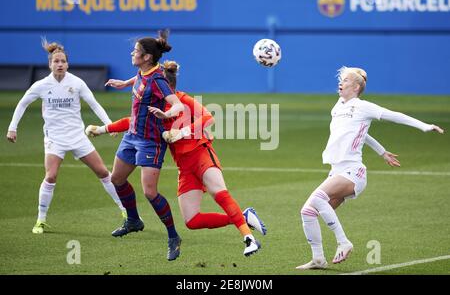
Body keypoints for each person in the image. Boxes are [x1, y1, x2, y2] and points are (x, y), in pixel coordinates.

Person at [86, 60, 267, 257]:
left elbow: (209, 118)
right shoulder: (154, 106)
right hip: (184, 166)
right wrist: (104, 129)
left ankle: (249, 239)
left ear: (167, 88)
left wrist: (182, 133)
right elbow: (132, 122)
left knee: (219, 193)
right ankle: (243, 217)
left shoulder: (182, 100)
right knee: (192, 221)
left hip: (200, 153)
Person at [295, 66, 444, 270]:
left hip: (353, 172)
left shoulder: (363, 106)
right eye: (341, 79)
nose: (341, 82)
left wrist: (424, 126)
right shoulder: (338, 107)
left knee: (317, 198)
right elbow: (361, 133)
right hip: (337, 171)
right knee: (308, 212)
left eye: (346, 80)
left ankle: (344, 242)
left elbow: (394, 115)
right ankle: (318, 259)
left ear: (356, 87)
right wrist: (382, 151)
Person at [6, 39, 126, 234]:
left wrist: (109, 126)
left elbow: (94, 104)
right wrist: (13, 127)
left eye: (63, 61)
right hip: (55, 138)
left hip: (77, 136)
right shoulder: (42, 85)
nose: (60, 64)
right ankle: (41, 220)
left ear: (67, 64)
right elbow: (22, 103)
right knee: (51, 176)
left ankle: (125, 211)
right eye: (56, 61)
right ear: (50, 64)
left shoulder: (76, 83)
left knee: (103, 172)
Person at [102, 31, 185, 261]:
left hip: (151, 141)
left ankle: (173, 236)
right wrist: (124, 83)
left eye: (136, 51)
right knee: (116, 179)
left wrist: (165, 113)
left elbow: (178, 106)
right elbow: (140, 79)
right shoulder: (143, 71)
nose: (132, 53)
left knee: (149, 192)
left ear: (147, 57)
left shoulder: (159, 80)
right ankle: (133, 221)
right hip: (131, 137)